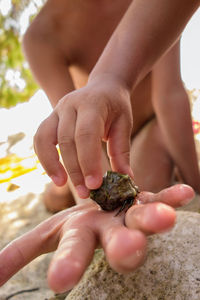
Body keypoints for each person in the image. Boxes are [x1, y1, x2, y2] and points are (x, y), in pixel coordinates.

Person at [0, 0, 199, 294]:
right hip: (93, 149)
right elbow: (71, 127)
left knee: (147, 186)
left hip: (146, 130)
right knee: (63, 196)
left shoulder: (146, 11)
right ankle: (57, 192)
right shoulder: (41, 35)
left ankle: (62, 192)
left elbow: (169, 96)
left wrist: (195, 180)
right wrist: (91, 204)